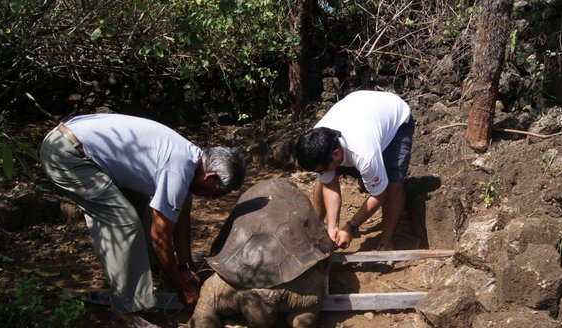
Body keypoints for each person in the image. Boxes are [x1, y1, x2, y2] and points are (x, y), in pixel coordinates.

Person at [40, 113, 246, 327]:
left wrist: (185, 267)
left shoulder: (193, 161)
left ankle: (145, 285)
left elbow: (182, 220)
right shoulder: (178, 168)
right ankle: (126, 312)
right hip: (67, 154)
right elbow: (159, 238)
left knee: (141, 208)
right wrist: (182, 289)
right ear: (210, 177)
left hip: (83, 150)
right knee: (124, 223)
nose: (212, 198)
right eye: (217, 193)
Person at [295, 90, 414, 251]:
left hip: (396, 119)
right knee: (321, 181)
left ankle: (386, 242)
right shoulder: (317, 140)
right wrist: (333, 226)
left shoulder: (365, 155)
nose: (322, 173)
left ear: (336, 154)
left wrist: (351, 227)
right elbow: (329, 185)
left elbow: (380, 194)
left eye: (322, 170)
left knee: (393, 184)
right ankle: (318, 226)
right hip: (361, 110)